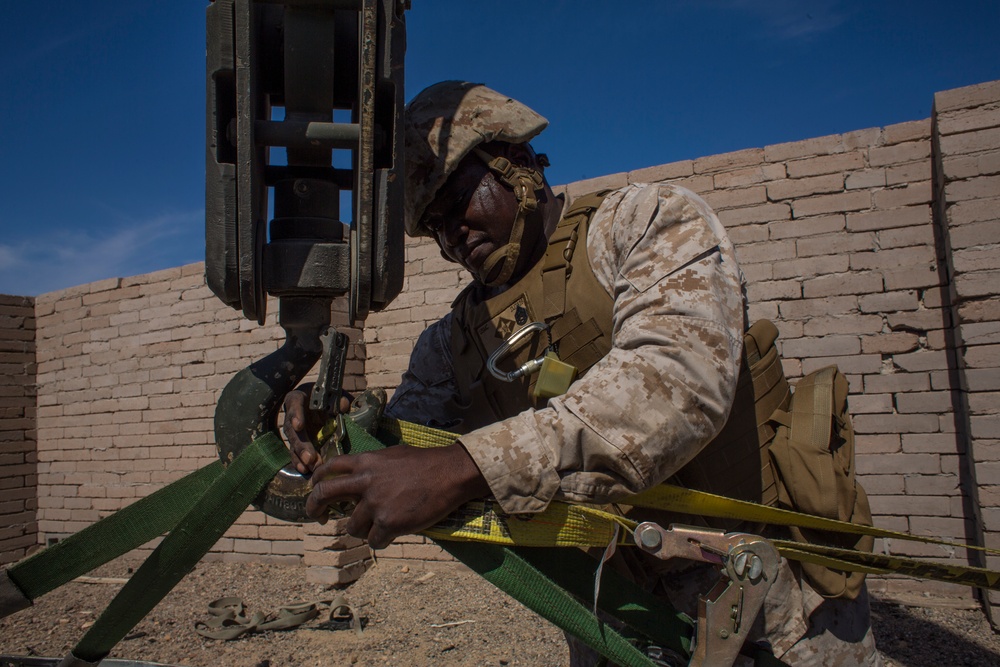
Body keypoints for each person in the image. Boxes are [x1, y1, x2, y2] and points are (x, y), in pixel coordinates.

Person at [283, 81, 881, 666]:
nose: (451, 234)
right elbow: (403, 449)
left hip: (759, 589)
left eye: (456, 200)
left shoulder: (642, 223)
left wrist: (467, 467)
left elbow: (677, 386)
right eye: (433, 225)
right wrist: (340, 425)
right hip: (612, 605)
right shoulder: (450, 343)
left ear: (515, 163)